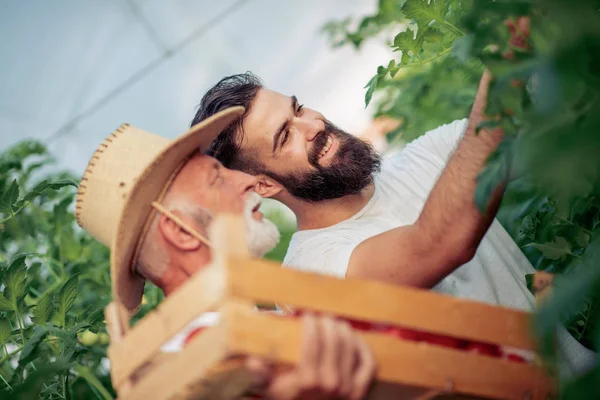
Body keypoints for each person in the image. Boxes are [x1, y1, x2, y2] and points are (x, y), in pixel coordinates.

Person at [189, 71, 596, 375]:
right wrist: (503, 61)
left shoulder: (424, 159)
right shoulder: (309, 276)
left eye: (297, 109)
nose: (313, 125)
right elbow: (438, 245)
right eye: (285, 135)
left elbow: (547, 127)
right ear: (262, 183)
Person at [74, 108, 375, 400]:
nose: (247, 180)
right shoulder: (200, 360)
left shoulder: (237, 329)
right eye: (217, 179)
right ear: (181, 232)